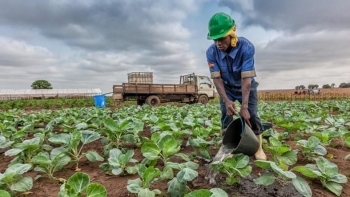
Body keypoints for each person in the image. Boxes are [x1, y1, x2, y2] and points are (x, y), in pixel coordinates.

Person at [206, 12, 266, 160]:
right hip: (226, 88)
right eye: (215, 40)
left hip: (246, 87)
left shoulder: (246, 47)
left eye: (221, 38)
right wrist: (226, 101)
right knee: (225, 115)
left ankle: (258, 147)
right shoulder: (211, 52)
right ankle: (227, 146)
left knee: (252, 115)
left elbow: (246, 79)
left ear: (232, 34)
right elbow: (217, 79)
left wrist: (244, 106)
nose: (218, 43)